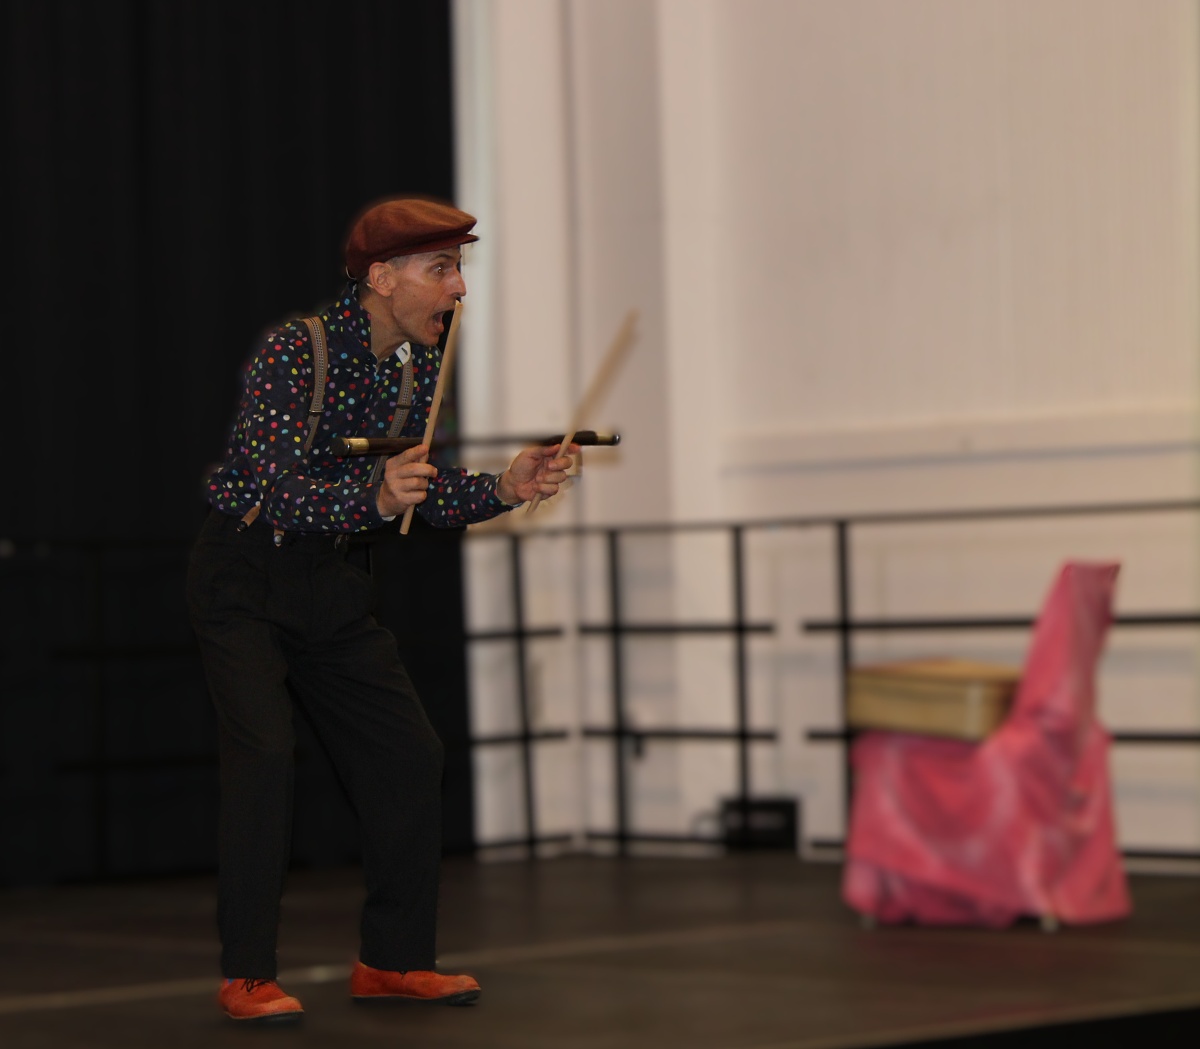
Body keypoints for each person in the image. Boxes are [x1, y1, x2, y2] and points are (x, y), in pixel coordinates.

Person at [186, 196, 575, 1022]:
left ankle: (393, 960)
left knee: (408, 753)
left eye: (459, 268)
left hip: (332, 580)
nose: (459, 287)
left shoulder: (418, 366)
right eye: (443, 268)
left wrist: (506, 486)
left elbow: (420, 493)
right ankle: (246, 973)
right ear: (383, 277)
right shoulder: (296, 350)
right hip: (246, 573)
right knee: (264, 757)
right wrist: (372, 495)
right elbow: (276, 487)